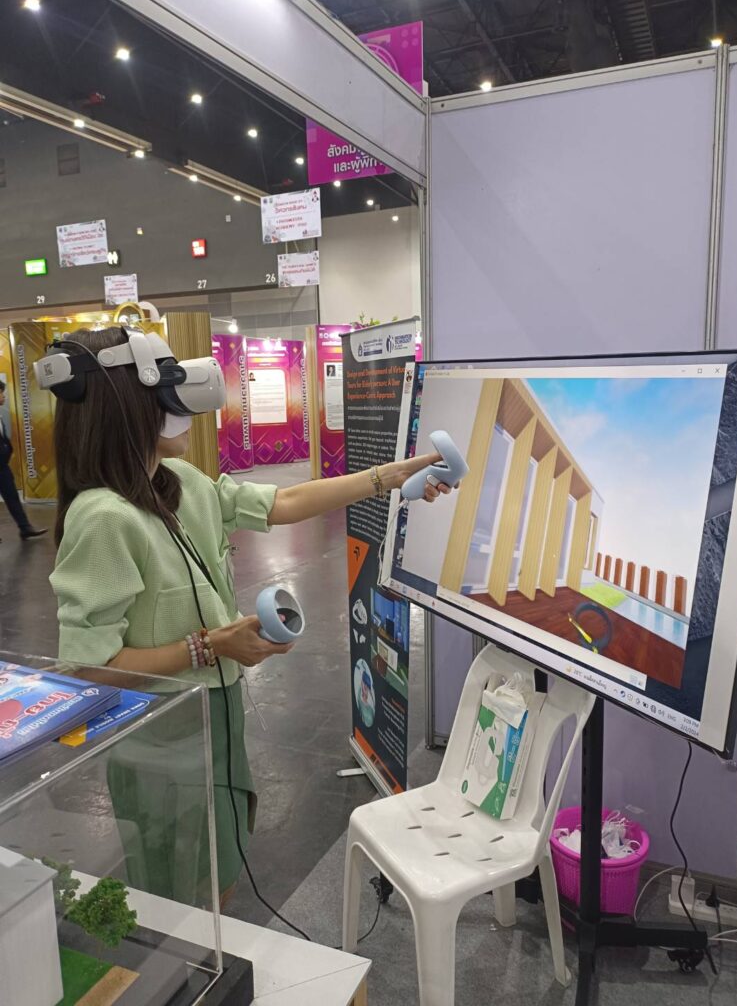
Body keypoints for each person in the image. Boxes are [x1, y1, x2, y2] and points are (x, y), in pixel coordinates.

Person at [48, 327, 453, 907]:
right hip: (160, 737)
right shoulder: (103, 518)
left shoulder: (180, 483)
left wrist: (387, 477)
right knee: (177, 888)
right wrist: (210, 646)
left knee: (223, 864)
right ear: (130, 406)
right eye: (165, 388)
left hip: (217, 713)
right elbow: (90, 669)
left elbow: (282, 502)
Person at [0, 380, 47, 541]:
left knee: (12, 496)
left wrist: (7, 450)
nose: (4, 396)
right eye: (1, 393)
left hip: (2, 467)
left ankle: (25, 528)